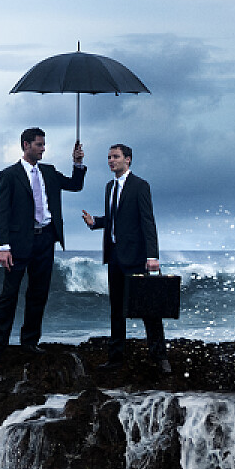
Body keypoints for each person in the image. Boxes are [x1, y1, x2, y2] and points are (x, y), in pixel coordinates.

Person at [0, 127, 85, 364]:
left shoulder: (49, 172)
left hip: (45, 239)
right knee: (9, 295)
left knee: (38, 294)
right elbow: (1, 212)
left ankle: (29, 342)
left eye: (44, 144)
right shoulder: (9, 175)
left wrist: (78, 164)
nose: (43, 149)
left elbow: (75, 185)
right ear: (25, 145)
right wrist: (4, 246)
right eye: (39, 145)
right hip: (19, 242)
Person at [81, 142, 169, 373]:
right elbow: (114, 219)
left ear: (128, 159)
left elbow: (147, 221)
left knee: (148, 308)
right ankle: (116, 357)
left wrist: (152, 255)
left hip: (136, 257)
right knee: (117, 310)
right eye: (109, 157)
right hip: (115, 257)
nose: (111, 161)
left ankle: (160, 357)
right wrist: (96, 222)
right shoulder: (109, 187)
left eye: (116, 157)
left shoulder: (140, 186)